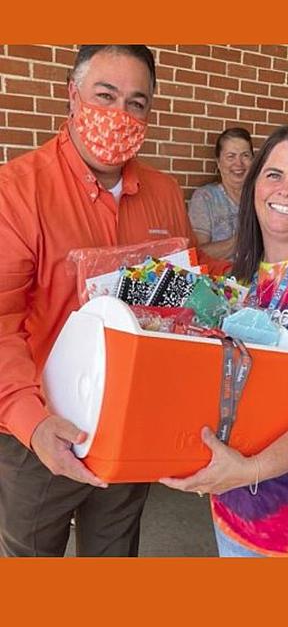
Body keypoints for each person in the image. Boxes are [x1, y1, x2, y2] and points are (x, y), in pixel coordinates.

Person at [0, 45, 201, 556]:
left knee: (113, 558)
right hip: (42, 427)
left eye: (136, 103)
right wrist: (33, 423)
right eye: (105, 95)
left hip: (132, 422)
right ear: (73, 95)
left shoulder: (162, 192)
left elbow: (179, 302)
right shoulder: (18, 190)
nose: (119, 115)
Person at [161, 124, 288, 557]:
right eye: (274, 175)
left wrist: (252, 468)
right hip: (230, 510)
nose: (285, 190)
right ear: (255, 185)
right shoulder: (235, 282)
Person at [188, 127, 254, 262]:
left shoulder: (262, 198)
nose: (239, 163)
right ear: (218, 162)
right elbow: (197, 255)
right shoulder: (205, 197)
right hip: (219, 280)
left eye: (245, 155)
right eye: (231, 156)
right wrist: (241, 240)